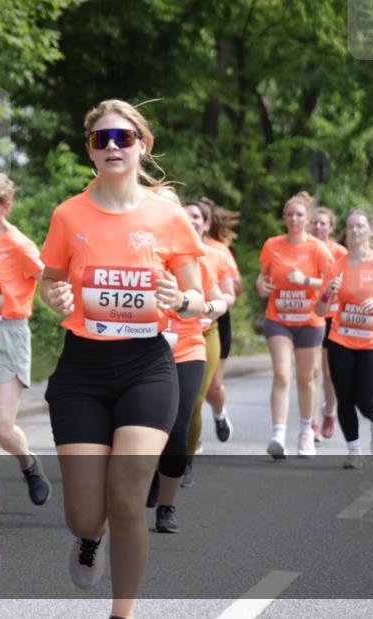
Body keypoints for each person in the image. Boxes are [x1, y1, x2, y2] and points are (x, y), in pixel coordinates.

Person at [39, 99, 204, 619]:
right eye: (101, 139)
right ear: (90, 150)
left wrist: (180, 301)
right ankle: (91, 539)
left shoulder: (167, 215)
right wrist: (56, 298)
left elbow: (199, 297)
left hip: (147, 367)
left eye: (123, 138)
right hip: (82, 370)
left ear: (142, 145)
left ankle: (122, 612)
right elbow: (50, 280)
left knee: (129, 496)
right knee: (86, 515)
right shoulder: (69, 214)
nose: (112, 146)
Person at [0, 170, 51, 507]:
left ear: (6, 206)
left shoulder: (19, 245)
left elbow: (49, 277)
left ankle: (29, 464)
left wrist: (67, 295)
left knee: (0, 425)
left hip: (9, 335)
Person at [151, 191, 227, 534]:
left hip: (187, 349)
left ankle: (167, 506)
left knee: (177, 427)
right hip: (144, 349)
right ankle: (150, 472)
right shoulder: (137, 249)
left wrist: (205, 308)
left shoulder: (195, 257)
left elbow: (218, 301)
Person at [315, 209, 373, 467]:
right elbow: (319, 311)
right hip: (341, 338)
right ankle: (354, 450)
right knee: (344, 396)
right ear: (346, 231)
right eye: (351, 227)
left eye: (360, 227)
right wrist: (327, 294)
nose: (355, 231)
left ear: (370, 230)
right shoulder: (337, 266)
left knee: (365, 400)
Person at [257, 191, 333, 459]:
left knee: (306, 378)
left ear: (308, 219)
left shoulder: (318, 249)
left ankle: (305, 433)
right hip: (278, 318)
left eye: (299, 214)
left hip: (310, 320)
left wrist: (305, 281)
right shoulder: (272, 245)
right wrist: (261, 285)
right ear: (284, 217)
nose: (294, 218)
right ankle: (278, 434)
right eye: (290, 214)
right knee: (281, 374)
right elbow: (263, 278)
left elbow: (331, 284)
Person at [179, 200, 235, 490]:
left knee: (195, 400)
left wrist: (212, 305)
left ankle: (185, 463)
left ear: (206, 223)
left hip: (207, 331)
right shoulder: (165, 250)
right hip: (169, 335)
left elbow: (228, 295)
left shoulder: (215, 255)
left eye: (197, 217)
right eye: (186, 215)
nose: (191, 220)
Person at [199, 198, 241, 446]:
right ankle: (191, 434)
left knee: (213, 387)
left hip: (216, 320)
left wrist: (217, 294)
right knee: (191, 387)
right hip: (181, 324)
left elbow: (236, 287)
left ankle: (219, 413)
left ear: (207, 221)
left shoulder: (220, 250)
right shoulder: (172, 243)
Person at [311, 207, 348, 439]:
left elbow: (341, 284)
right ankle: (311, 422)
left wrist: (307, 281)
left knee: (328, 371)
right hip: (310, 315)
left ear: (332, 228)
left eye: (323, 223)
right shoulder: (304, 248)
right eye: (315, 222)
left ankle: (329, 412)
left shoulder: (340, 252)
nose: (318, 227)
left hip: (334, 314)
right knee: (312, 371)